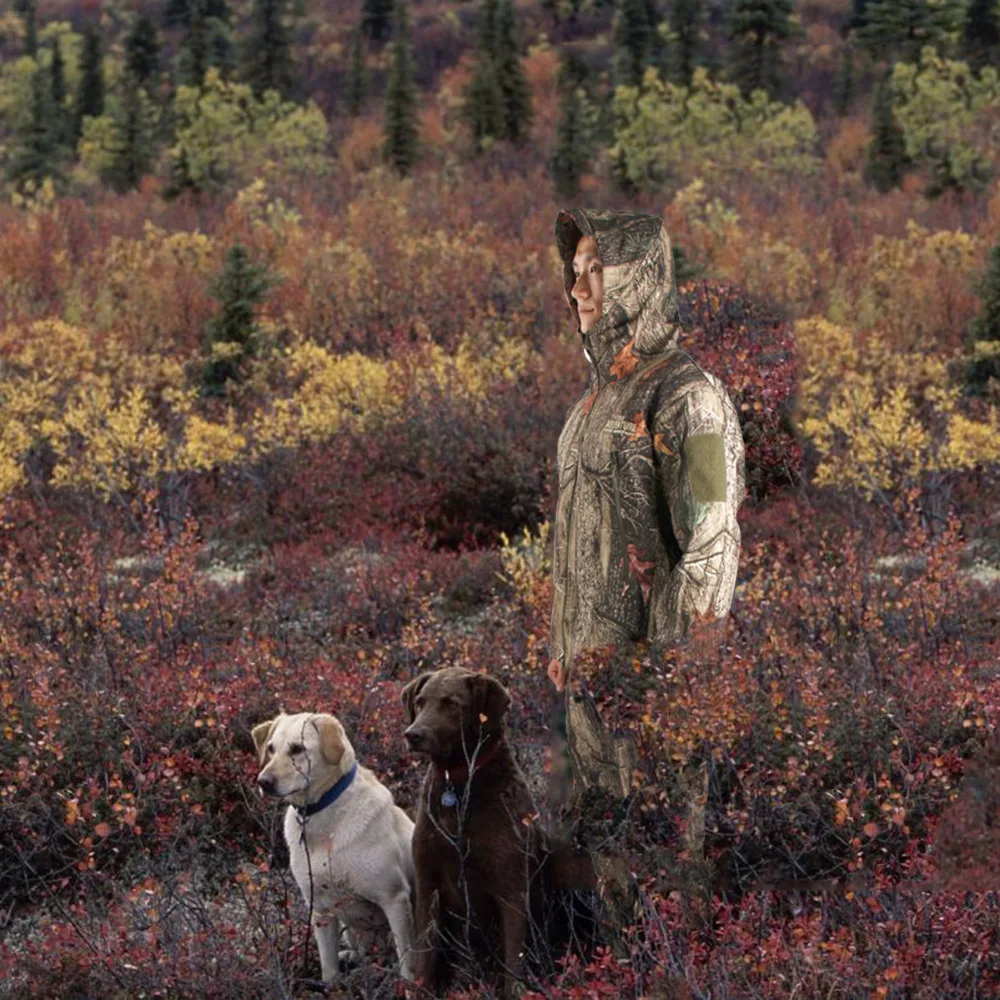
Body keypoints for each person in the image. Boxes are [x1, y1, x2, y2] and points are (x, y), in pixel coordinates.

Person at [545, 207, 746, 928]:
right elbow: (575, 541)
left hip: (654, 674)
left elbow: (713, 536)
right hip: (592, 673)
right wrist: (562, 645)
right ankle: (625, 969)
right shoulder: (591, 407)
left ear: (642, 275)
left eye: (597, 270)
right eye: (575, 274)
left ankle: (673, 972)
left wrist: (677, 668)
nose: (580, 290)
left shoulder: (689, 397)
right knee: (608, 845)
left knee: (664, 847)